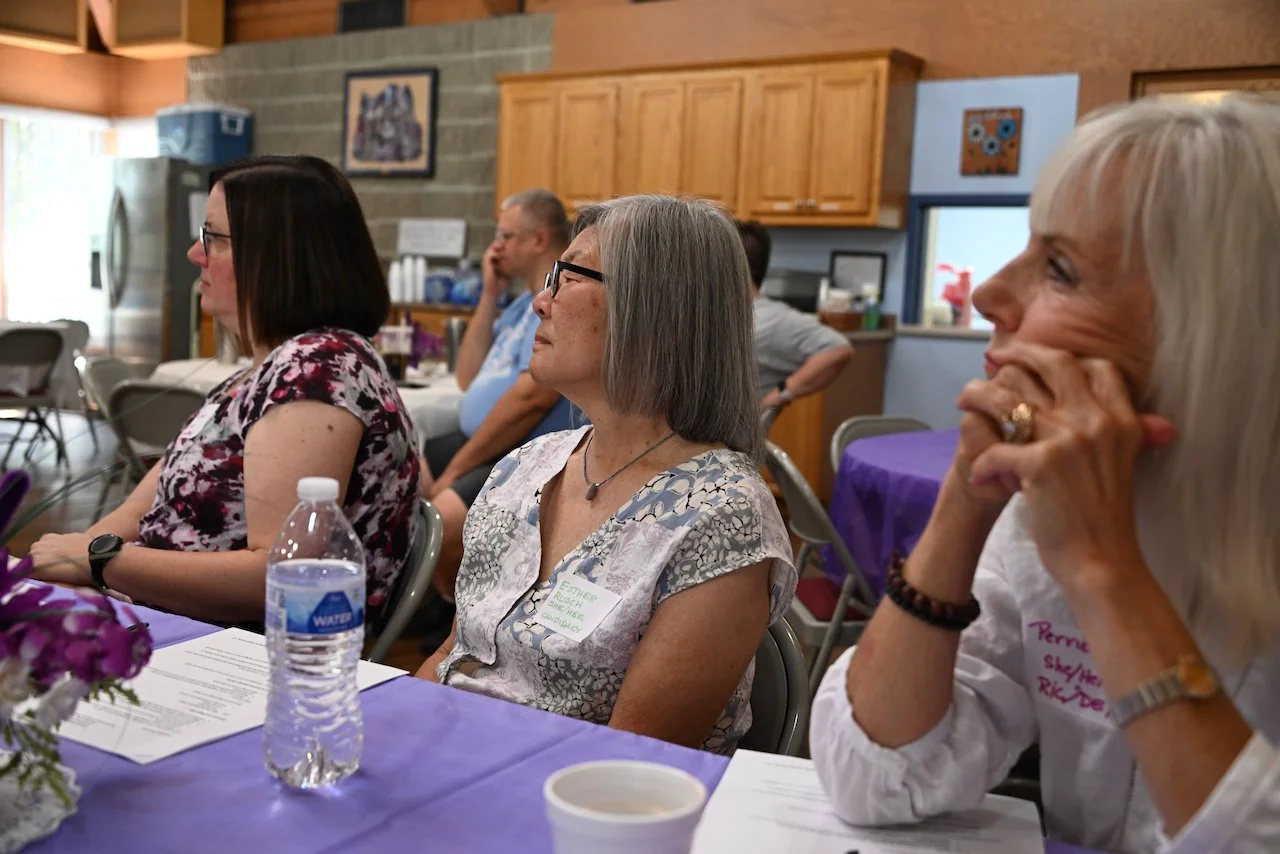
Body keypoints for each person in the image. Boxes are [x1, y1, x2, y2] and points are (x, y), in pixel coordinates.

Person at [809, 95, 1280, 852]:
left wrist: (1104, 572)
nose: (991, 295)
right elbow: (870, 778)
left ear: (1219, 334)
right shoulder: (1044, 513)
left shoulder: (1080, 534)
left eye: (1058, 269)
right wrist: (965, 501)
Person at [414, 195, 797, 754]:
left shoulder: (723, 517)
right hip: (447, 766)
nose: (541, 303)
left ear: (656, 308)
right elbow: (455, 657)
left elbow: (629, 766)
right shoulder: (527, 466)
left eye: (568, 278)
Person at [30, 155, 421, 625]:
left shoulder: (316, 370)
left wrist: (96, 560)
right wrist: (64, 567)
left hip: (228, 656)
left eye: (211, 238)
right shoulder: (264, 372)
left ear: (276, 255)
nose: (195, 254)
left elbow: (277, 579)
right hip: (156, 618)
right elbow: (138, 509)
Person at [416, 189, 574, 648]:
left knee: (440, 513)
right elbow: (468, 377)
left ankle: (458, 617)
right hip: (481, 437)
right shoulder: (518, 307)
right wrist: (488, 294)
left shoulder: (557, 310)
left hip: (518, 447)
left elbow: (529, 401)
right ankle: (437, 599)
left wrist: (457, 470)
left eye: (506, 235)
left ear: (539, 238)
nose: (495, 247)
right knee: (405, 472)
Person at [735, 220, 853, 410]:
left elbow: (838, 349)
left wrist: (782, 392)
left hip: (724, 437)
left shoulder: (771, 320)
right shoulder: (714, 314)